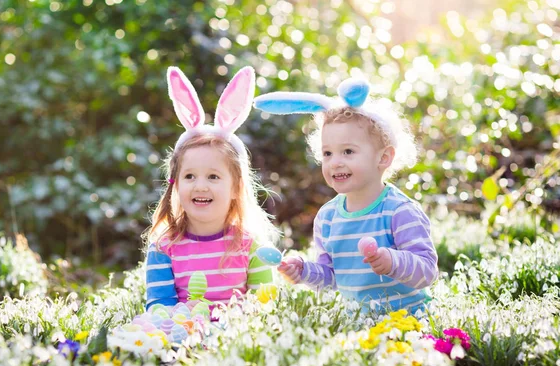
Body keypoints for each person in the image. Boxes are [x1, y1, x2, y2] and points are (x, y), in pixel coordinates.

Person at [253, 75, 438, 312]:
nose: (335, 163)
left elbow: (427, 272)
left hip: (407, 323)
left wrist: (393, 261)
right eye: (328, 153)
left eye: (348, 151)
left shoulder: (399, 211)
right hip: (357, 326)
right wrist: (303, 271)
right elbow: (331, 278)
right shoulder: (328, 217)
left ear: (383, 157)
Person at [144, 66, 279, 309]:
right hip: (182, 338)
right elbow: (159, 307)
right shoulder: (164, 248)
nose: (200, 186)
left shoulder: (252, 246)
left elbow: (264, 308)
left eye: (214, 177)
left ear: (236, 188)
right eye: (190, 176)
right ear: (175, 185)